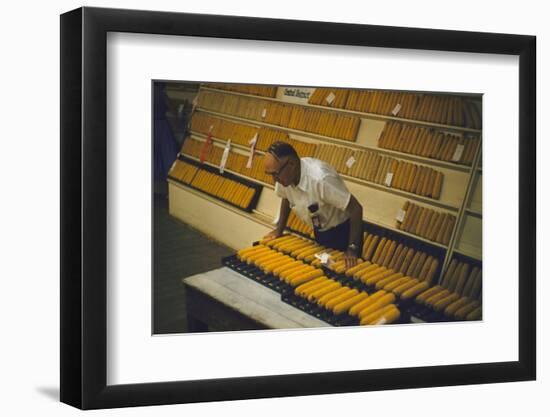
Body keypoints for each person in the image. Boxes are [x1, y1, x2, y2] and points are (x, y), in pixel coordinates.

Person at [263, 141, 364, 269]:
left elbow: (356, 209)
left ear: (292, 164)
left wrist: (352, 248)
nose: (274, 180)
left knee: (345, 276)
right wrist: (279, 229)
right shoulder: (283, 177)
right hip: (321, 232)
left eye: (276, 174)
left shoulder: (321, 179)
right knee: (325, 272)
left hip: (345, 232)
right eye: (271, 174)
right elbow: (286, 197)